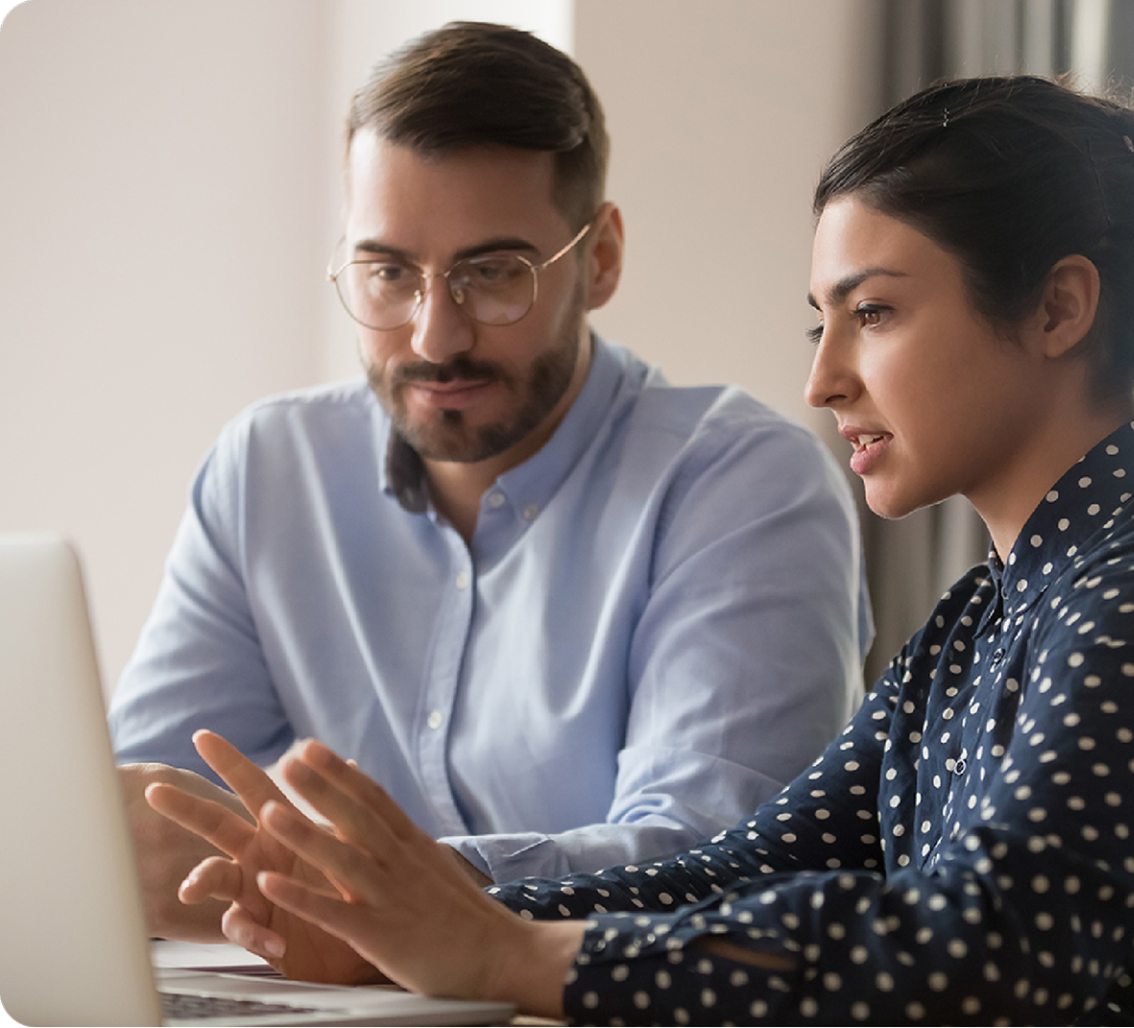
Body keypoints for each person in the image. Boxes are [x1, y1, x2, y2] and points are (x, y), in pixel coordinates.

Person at [147, 75, 1134, 1026]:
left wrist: (500, 949)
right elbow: (738, 870)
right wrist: (404, 921)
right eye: (820, 319)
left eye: (873, 311)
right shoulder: (984, 617)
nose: (821, 378)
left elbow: (992, 958)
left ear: (1057, 308)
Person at [109, 21, 871, 944]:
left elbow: (710, 860)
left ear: (601, 259)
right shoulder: (268, 470)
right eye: (388, 273)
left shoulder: (745, 484)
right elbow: (142, 821)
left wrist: (375, 891)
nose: (436, 336)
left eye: (493, 273)